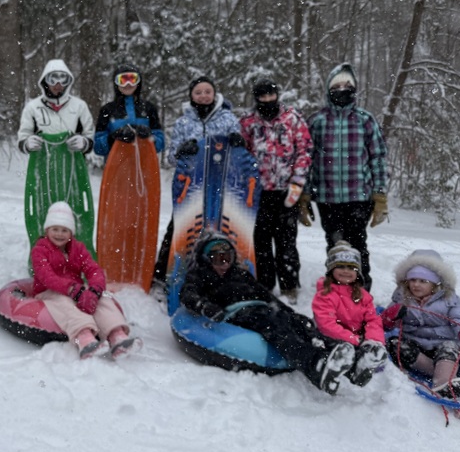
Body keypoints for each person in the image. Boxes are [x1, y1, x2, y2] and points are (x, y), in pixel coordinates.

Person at [180, 231, 357, 395]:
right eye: (218, 259)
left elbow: (264, 294)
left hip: (260, 306)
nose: (224, 263)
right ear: (206, 260)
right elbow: (188, 294)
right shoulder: (200, 276)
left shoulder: (240, 274)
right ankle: (314, 365)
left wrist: (288, 311)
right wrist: (205, 307)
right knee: (276, 328)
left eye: (228, 257)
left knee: (300, 323)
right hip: (237, 312)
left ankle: (345, 358)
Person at [301, 63, 389, 289]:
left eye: (347, 85)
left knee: (357, 243)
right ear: (329, 90)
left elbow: (378, 158)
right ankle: (336, 291)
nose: (342, 89)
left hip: (358, 196)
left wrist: (380, 195)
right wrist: (304, 193)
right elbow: (306, 160)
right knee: (335, 244)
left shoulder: (365, 119)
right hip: (327, 197)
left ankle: (361, 290)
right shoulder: (317, 121)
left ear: (354, 89)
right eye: (337, 85)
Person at [155, 75, 243, 284]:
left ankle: (225, 271)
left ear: (215, 94)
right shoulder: (184, 122)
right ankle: (164, 273)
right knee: (181, 227)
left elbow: (240, 154)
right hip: (192, 186)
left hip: (220, 185)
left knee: (221, 227)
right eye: (198, 92)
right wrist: (182, 151)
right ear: (191, 96)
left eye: (207, 92)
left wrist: (237, 142)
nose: (203, 96)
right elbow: (170, 157)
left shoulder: (228, 119)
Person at [30, 201, 141, 359]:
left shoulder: (78, 248)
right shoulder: (40, 250)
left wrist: (95, 290)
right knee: (65, 304)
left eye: (64, 230)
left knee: (103, 300)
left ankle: (116, 335)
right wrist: (71, 289)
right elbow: (46, 277)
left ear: (71, 232)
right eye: (55, 229)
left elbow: (93, 269)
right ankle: (85, 339)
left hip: (76, 290)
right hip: (49, 292)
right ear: (47, 230)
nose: (59, 234)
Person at [239, 77, 312, 301]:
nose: (267, 99)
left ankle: (290, 285)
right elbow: (242, 153)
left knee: (286, 240)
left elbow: (305, 150)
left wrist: (298, 182)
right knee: (260, 240)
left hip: (286, 190)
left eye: (271, 95)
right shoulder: (248, 122)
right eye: (263, 96)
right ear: (257, 98)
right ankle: (265, 284)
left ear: (277, 95)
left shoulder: (292, 118)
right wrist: (246, 182)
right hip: (258, 192)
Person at [381, 249, 460, 399]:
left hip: (442, 345)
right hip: (416, 349)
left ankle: (442, 382)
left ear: (435, 283)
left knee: (450, 347)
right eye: (412, 280)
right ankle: (437, 371)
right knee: (395, 345)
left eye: (423, 281)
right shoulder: (402, 298)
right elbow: (385, 324)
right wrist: (393, 314)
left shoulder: (449, 300)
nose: (416, 285)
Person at [310, 241, 387, 386]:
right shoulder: (325, 294)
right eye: (340, 266)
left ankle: (363, 364)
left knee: (371, 348)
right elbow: (326, 325)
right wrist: (354, 340)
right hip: (331, 337)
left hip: (356, 337)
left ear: (357, 272)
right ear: (331, 269)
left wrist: (372, 340)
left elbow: (373, 320)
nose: (346, 271)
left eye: (351, 267)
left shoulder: (363, 295)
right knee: (340, 348)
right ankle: (336, 367)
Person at [17, 59, 95, 155]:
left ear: (68, 82)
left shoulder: (79, 106)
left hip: (73, 164)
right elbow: (23, 136)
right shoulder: (32, 107)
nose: (58, 85)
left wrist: (85, 143)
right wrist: (26, 144)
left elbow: (90, 135)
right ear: (45, 81)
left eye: (63, 80)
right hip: (42, 164)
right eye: (52, 79)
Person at [92, 63, 165, 158]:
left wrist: (150, 137)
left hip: (144, 166)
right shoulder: (107, 110)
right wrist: (113, 138)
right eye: (123, 80)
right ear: (116, 83)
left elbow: (161, 144)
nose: (128, 84)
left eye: (132, 79)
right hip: (116, 166)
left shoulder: (149, 108)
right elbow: (98, 147)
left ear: (138, 82)